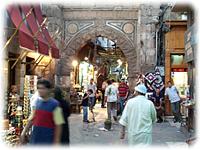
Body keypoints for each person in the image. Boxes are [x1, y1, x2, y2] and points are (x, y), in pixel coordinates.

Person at [20, 79, 65, 145]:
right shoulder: (36, 102)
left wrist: (57, 142)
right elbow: (32, 118)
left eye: (42, 88)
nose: (40, 90)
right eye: (38, 88)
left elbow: (59, 124)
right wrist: (24, 132)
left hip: (48, 140)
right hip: (35, 139)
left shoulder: (56, 104)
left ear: (48, 90)